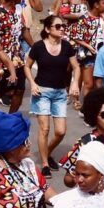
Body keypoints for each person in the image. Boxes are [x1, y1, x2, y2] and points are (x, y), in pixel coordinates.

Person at [27, 15, 80, 175]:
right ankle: (44, 164)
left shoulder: (67, 47)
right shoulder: (38, 47)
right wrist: (32, 83)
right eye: (58, 26)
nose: (62, 28)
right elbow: (27, 66)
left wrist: (75, 83)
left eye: (63, 26)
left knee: (60, 131)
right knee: (44, 129)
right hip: (41, 91)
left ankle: (46, 152)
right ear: (48, 29)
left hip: (59, 93)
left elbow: (76, 67)